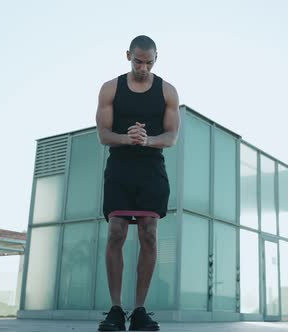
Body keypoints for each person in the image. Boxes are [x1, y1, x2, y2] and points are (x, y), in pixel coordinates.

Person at [95, 35, 179, 331]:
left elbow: (171, 137)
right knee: (116, 232)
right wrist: (126, 138)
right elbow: (103, 134)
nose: (143, 67)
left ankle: (139, 310)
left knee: (149, 234)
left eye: (149, 62)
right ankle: (116, 309)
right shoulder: (110, 88)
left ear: (156, 59)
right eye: (138, 61)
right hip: (119, 166)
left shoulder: (167, 91)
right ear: (128, 55)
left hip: (151, 168)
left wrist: (147, 140)